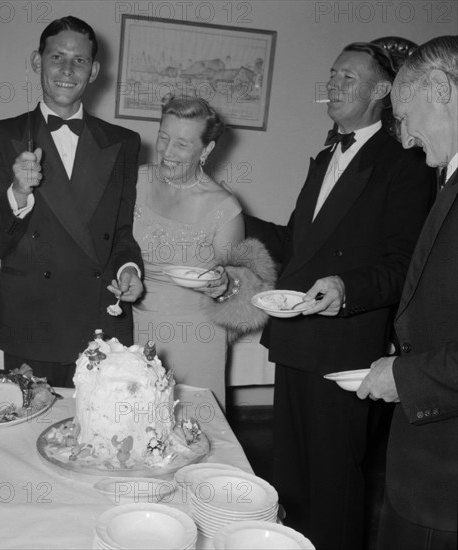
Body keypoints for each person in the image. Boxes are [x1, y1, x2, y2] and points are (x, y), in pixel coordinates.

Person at [245, 42, 436, 549]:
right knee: (288, 476)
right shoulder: (327, 153)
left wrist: (347, 289)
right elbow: (295, 246)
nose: (332, 84)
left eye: (347, 78)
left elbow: (405, 266)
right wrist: (230, 217)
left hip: (345, 347)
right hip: (294, 338)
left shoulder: (405, 163)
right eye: (331, 75)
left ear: (382, 91)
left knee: (335, 485)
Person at [0, 16, 143, 387]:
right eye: (57, 57)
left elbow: (120, 232)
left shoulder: (124, 143)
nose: (67, 70)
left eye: (79, 60)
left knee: (107, 438)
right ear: (37, 62)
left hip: (102, 320)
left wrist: (128, 269)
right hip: (34, 325)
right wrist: (18, 192)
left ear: (95, 70)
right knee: (27, 439)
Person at [357, 35, 458, 550]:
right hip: (427, 464)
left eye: (404, 116)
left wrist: (406, 376)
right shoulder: (449, 177)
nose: (403, 138)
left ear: (439, 89)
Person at [132, 96, 276, 409]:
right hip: (132, 327)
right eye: (163, 137)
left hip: (194, 338)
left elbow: (243, 294)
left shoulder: (224, 210)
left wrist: (226, 286)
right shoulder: (137, 181)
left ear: (206, 150)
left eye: (182, 144)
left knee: (188, 433)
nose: (167, 152)